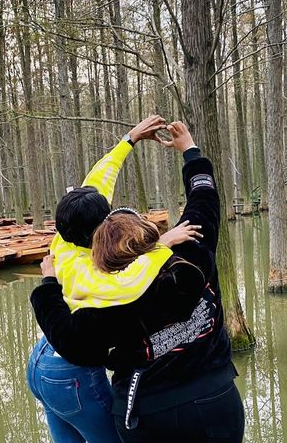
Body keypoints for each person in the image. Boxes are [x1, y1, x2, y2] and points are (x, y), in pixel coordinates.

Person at [31, 122, 245, 443]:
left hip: (146, 413)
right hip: (214, 397)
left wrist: (48, 287)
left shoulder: (101, 296)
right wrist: (190, 151)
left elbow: (74, 344)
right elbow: (204, 196)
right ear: (147, 231)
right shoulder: (191, 249)